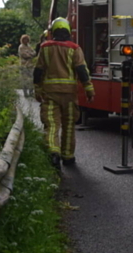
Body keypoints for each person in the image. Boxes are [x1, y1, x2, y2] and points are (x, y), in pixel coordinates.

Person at [34, 17, 95, 168]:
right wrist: (89, 89)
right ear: (68, 31)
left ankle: (53, 153)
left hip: (49, 93)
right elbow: (82, 70)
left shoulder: (45, 47)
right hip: (69, 94)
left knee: (51, 125)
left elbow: (38, 70)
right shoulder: (74, 48)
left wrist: (37, 89)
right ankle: (68, 157)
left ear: (53, 31)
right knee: (68, 125)